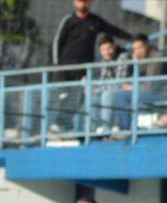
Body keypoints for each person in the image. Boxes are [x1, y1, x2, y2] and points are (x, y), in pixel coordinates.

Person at [50, 0, 130, 132]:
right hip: (66, 69)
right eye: (80, 1)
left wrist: (132, 38)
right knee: (65, 97)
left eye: (86, 2)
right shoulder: (68, 21)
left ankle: (67, 125)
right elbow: (57, 43)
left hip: (84, 70)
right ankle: (59, 124)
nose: (83, 4)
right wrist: (57, 67)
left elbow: (112, 30)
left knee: (82, 97)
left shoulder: (95, 21)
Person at [109, 34, 167, 130]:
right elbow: (136, 78)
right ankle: (110, 126)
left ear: (147, 45)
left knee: (120, 96)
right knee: (112, 93)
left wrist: (132, 87)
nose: (137, 51)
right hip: (151, 92)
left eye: (140, 48)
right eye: (135, 49)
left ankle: (125, 129)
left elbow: (151, 84)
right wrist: (129, 85)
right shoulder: (143, 59)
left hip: (162, 94)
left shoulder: (158, 57)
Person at [93, 35, 129, 132]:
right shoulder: (104, 61)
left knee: (107, 95)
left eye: (109, 48)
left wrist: (102, 88)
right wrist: (96, 89)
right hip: (111, 88)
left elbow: (120, 81)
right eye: (103, 50)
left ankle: (106, 127)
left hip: (126, 90)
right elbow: (103, 80)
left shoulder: (123, 56)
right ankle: (92, 128)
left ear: (114, 47)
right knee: (92, 99)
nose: (107, 52)